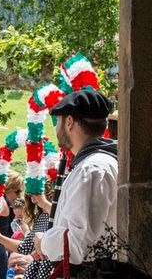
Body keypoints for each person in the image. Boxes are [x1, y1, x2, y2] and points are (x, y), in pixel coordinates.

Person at [34, 89, 117, 276]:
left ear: (69, 122)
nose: (56, 129)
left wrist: (44, 242)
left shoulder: (92, 170)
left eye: (58, 122)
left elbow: (78, 244)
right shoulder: (93, 165)